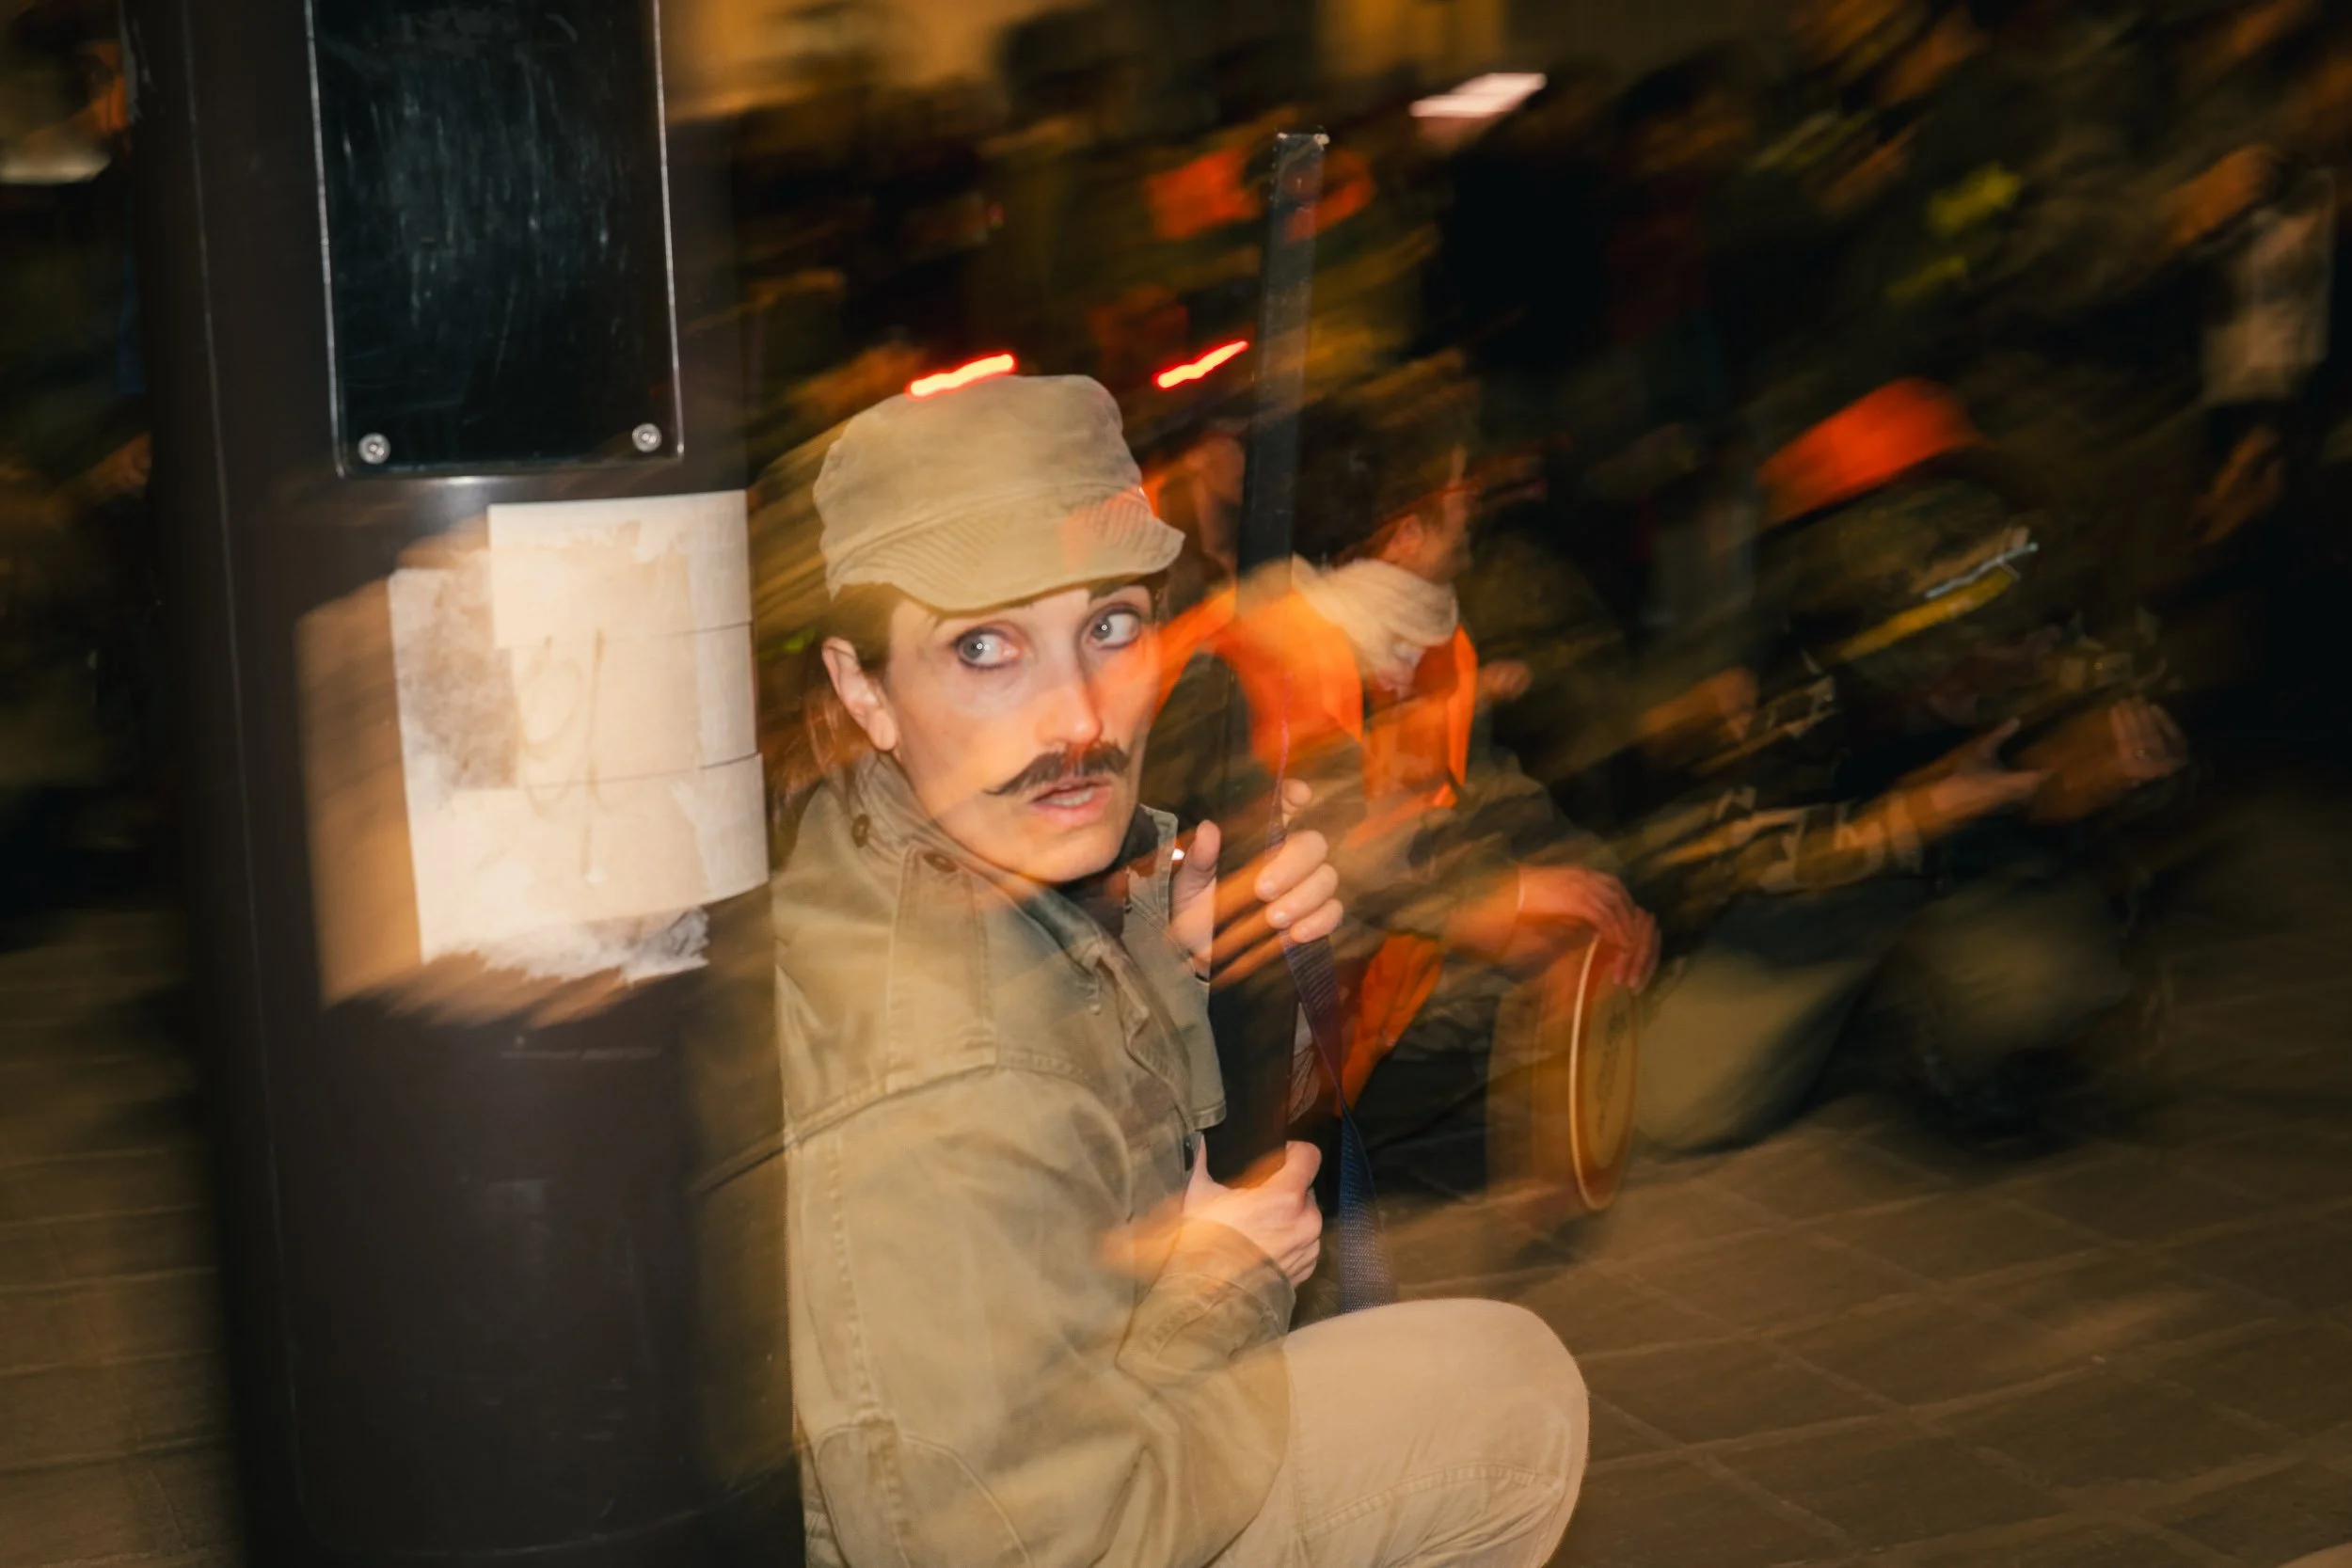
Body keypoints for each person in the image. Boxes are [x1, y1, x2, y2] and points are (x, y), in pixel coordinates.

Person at [771, 372, 1589, 1567]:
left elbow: (1092, 1180)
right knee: (1501, 1403)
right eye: (985, 646)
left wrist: (1180, 973)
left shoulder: (921, 836)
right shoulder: (935, 1087)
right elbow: (1028, 1545)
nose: (1078, 718)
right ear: (863, 687)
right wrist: (1224, 1273)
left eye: (1109, 624)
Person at [1145, 377, 1660, 1181]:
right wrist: (1508, 894)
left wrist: (1589, 883)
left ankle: (1332, 1132)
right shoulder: (1264, 648)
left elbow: (1480, 791)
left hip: (1341, 964)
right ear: (1407, 533)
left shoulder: (1415, 634)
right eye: (1462, 490)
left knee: (1551, 925)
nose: (1477, 507)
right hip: (1206, 1008)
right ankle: (1242, 1164)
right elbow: (1337, 839)